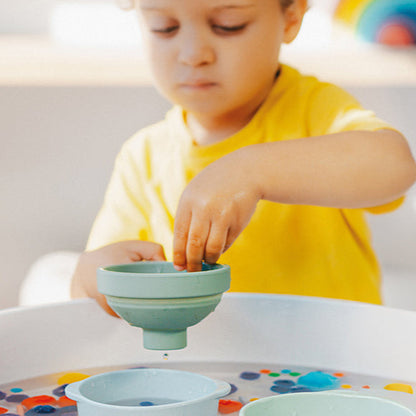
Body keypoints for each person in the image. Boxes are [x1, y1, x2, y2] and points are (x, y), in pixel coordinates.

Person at [71, 0, 416, 316]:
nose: (193, 54)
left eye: (228, 25)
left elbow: (394, 165)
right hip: (211, 363)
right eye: (165, 27)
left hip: (334, 359)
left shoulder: (314, 112)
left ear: (291, 18)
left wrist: (253, 170)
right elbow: (91, 290)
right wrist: (91, 276)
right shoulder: (143, 158)